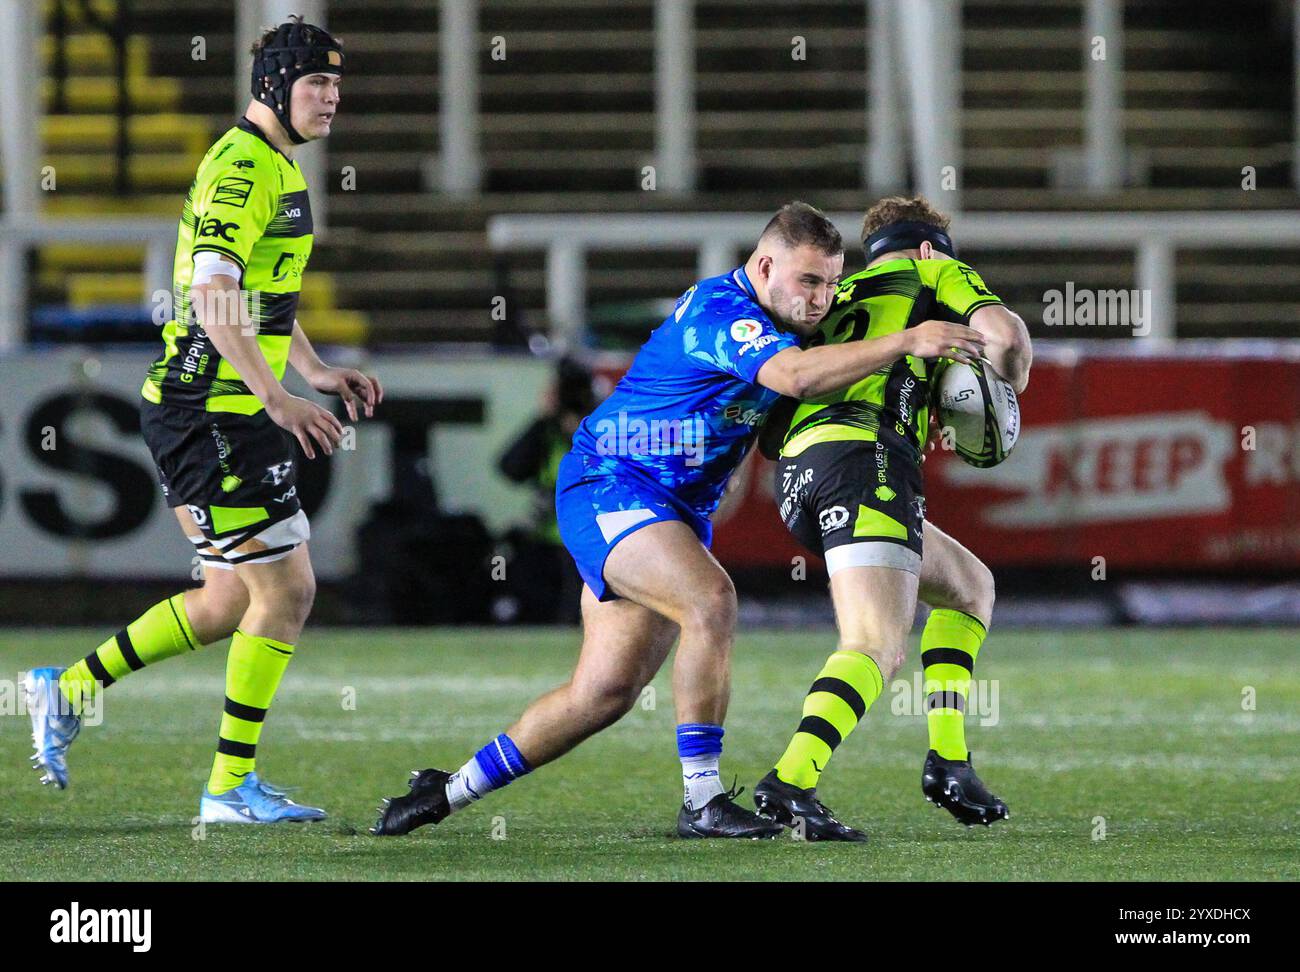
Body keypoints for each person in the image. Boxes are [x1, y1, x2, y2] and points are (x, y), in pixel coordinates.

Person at [371, 201, 984, 839]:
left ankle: (446, 790)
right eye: (809, 281)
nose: (822, 299)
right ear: (766, 265)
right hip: (611, 482)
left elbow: (786, 414)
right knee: (710, 600)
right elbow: (797, 381)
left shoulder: (785, 323)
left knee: (602, 694)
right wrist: (908, 340)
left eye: (831, 283)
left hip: (669, 509)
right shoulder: (725, 313)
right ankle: (703, 800)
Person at [24, 17, 382, 824]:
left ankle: (68, 687)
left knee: (228, 599)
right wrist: (276, 398)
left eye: (336, 85)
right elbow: (216, 296)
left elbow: (262, 301)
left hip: (216, 411)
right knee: (287, 590)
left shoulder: (278, 167)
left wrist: (314, 370)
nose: (331, 98)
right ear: (273, 87)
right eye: (316, 83)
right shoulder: (240, 170)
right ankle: (227, 788)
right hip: (210, 414)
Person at [753, 196, 1032, 840]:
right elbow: (1009, 341)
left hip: (799, 477)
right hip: (866, 462)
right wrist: (1003, 383)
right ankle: (791, 781)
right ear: (931, 246)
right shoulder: (933, 271)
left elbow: (770, 423)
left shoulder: (833, 293)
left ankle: (950, 762)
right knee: (876, 643)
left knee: (969, 587)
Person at [496, 358, 596, 623]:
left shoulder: (603, 427)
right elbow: (510, 469)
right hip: (548, 538)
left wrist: (593, 419)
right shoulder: (546, 430)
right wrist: (542, 419)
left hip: (594, 537)